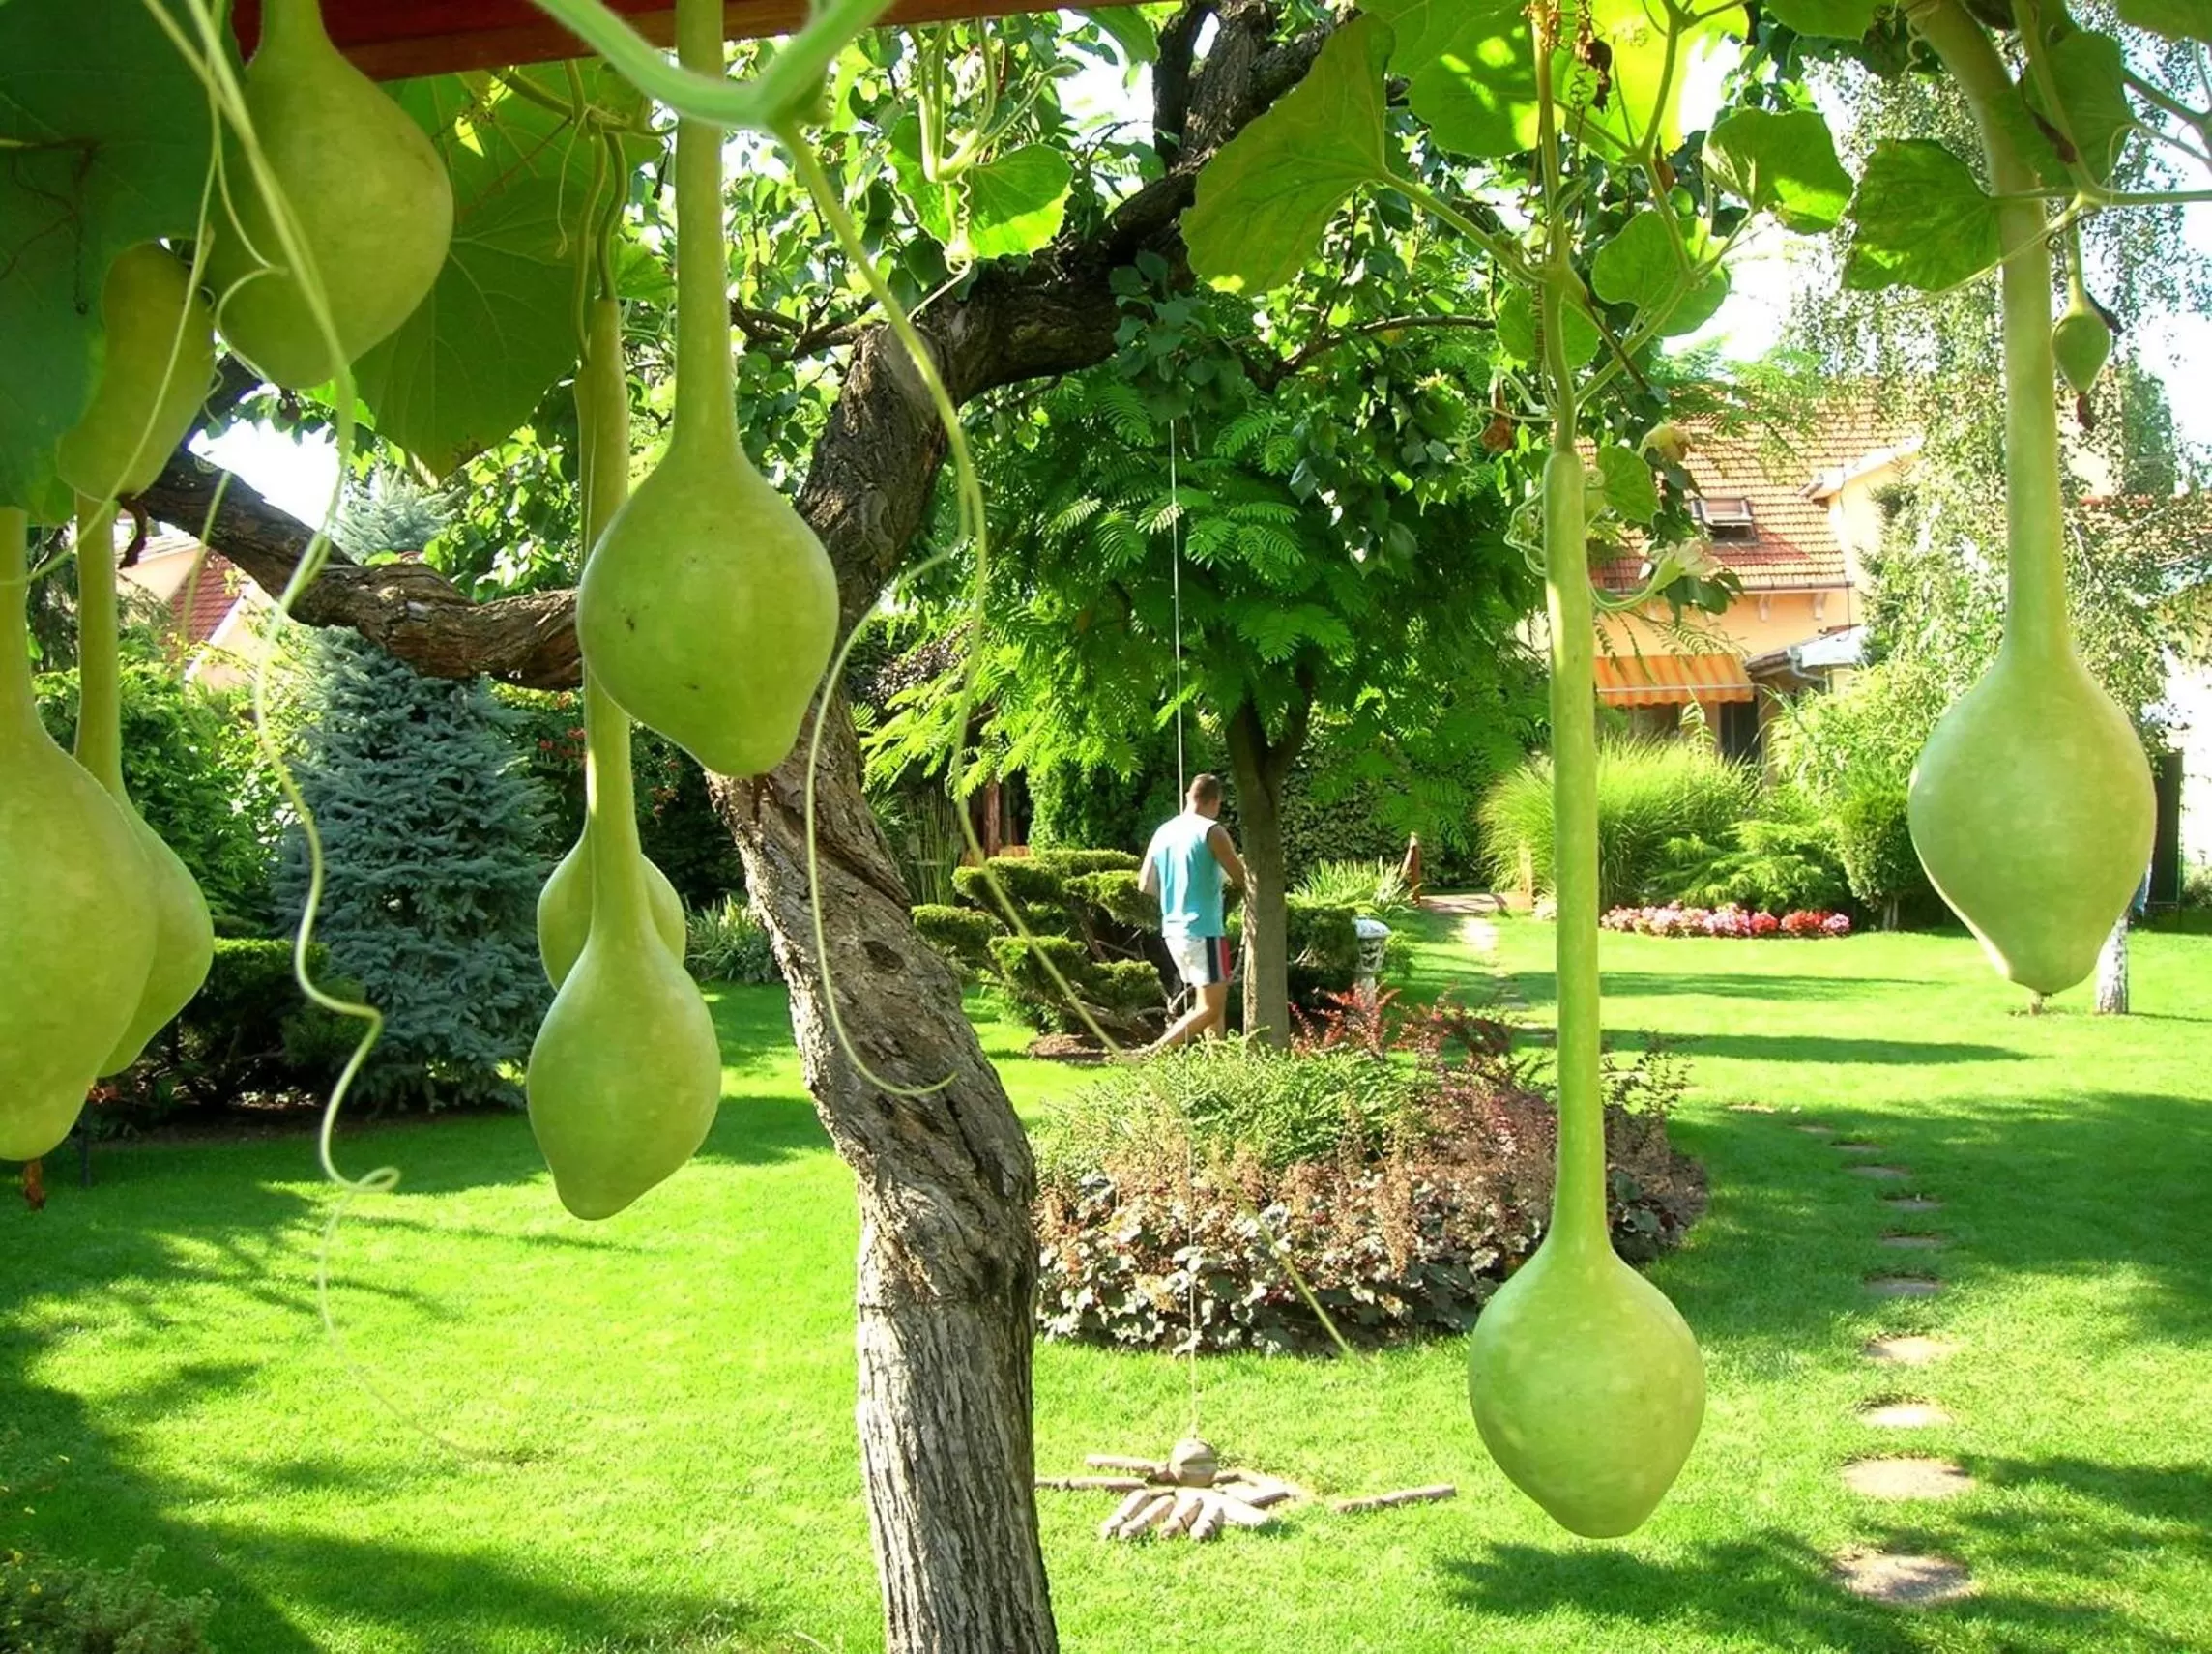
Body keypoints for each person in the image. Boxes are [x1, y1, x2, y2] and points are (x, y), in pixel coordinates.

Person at [1138, 773, 1247, 1053]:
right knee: (1210, 1008)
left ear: (1189, 796)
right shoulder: (1212, 831)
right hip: (1205, 930)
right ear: (1216, 801)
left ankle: (1219, 1065)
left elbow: (1145, 884)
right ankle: (1153, 1052)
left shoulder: (1164, 831)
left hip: (1174, 931)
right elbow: (1242, 878)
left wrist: (1179, 893)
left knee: (1209, 1003)